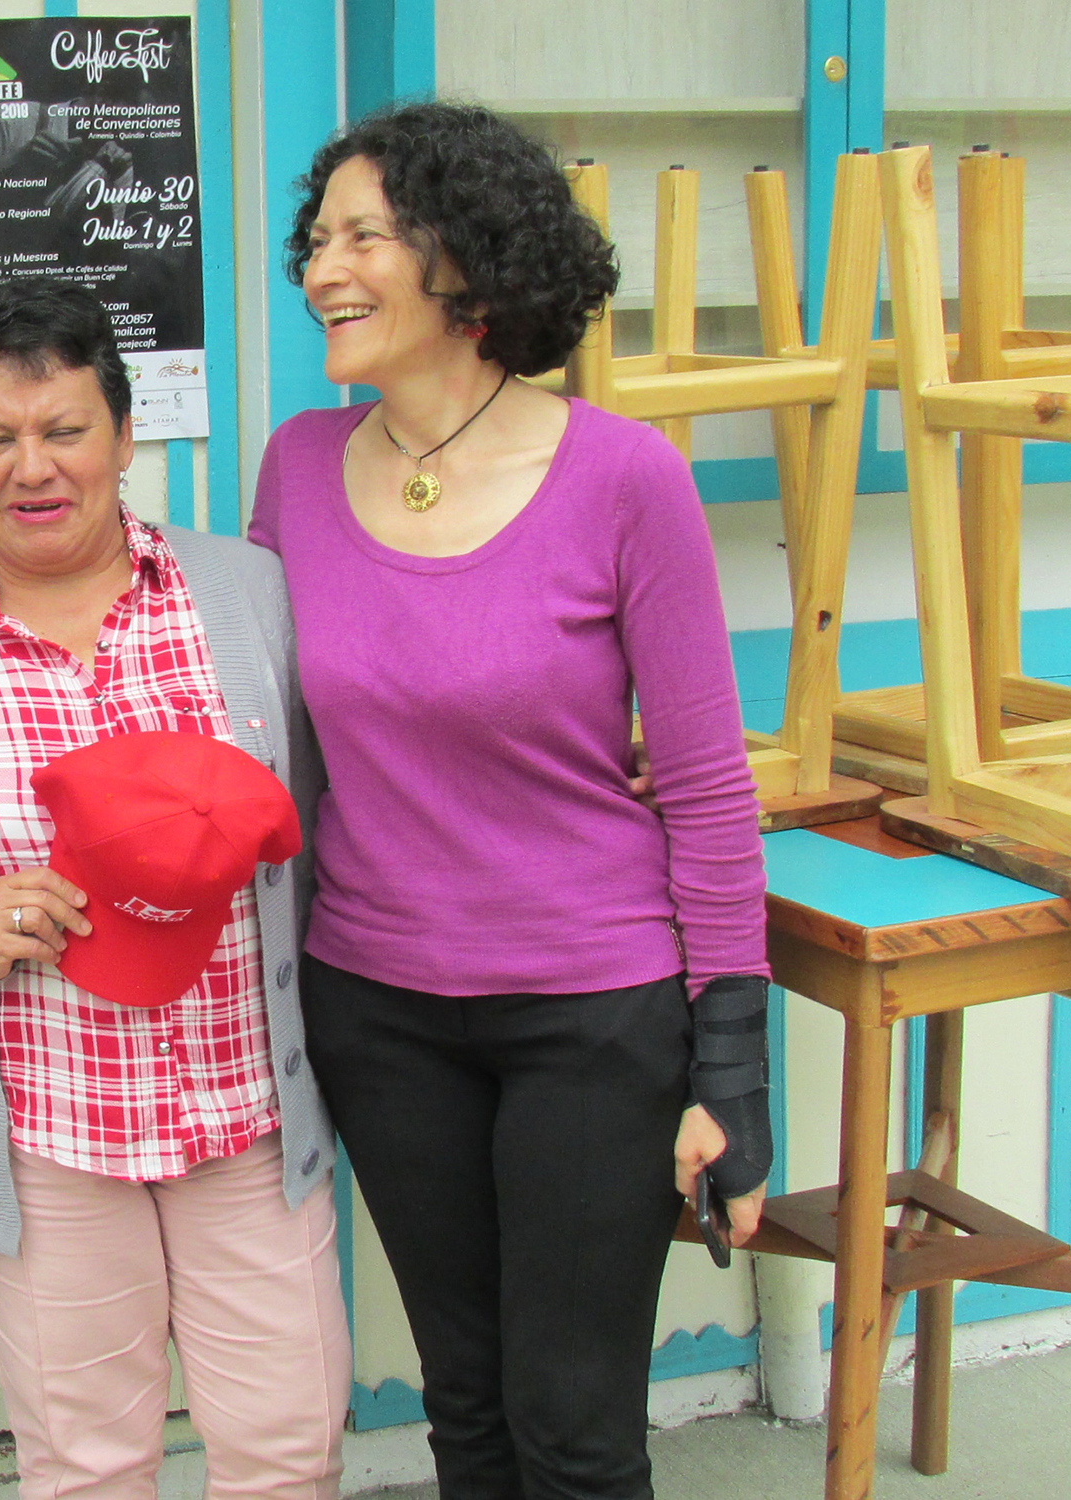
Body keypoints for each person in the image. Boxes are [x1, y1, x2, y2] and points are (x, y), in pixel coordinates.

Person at [253, 102, 773, 1499]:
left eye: (364, 235)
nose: (321, 270)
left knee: (576, 1426)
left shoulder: (623, 478)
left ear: (466, 264)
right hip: (376, 1007)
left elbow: (712, 787)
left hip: (591, 1019)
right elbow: (218, 679)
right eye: (316, 240)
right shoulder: (298, 468)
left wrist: (731, 1062)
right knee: (467, 1410)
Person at [0, 277, 349, 1499]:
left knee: (286, 1446)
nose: (32, 467)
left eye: (64, 429)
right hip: (40, 1135)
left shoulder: (246, 594)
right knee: (85, 1465)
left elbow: (344, 789)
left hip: (243, 1120)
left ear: (122, 432)